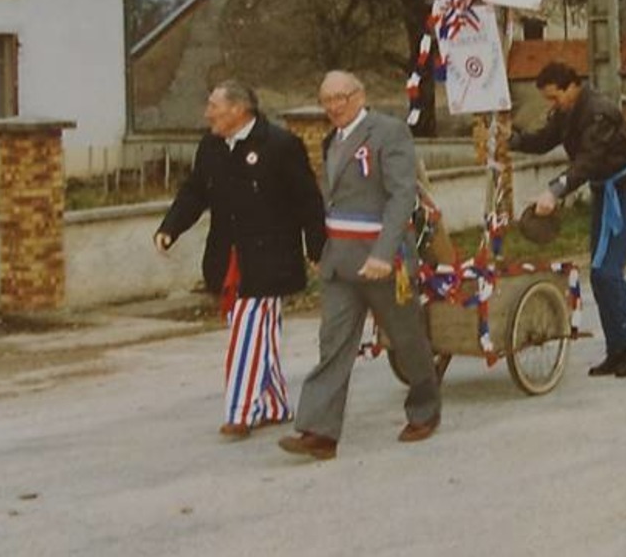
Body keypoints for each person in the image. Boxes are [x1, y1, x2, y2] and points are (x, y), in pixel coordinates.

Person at [278, 72, 442, 461]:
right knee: (333, 345)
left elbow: (403, 195)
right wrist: (321, 252)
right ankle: (320, 431)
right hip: (341, 262)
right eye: (326, 100)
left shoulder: (388, 132)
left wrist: (384, 253)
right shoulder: (332, 140)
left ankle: (425, 408)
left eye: (341, 97)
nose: (334, 106)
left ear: (360, 95)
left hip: (383, 260)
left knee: (406, 338)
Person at [156, 80, 326, 440]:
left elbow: (308, 202)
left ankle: (241, 411)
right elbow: (194, 193)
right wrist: (170, 228)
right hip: (227, 257)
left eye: (214, 106)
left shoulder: (280, 145)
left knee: (248, 332)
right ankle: (275, 403)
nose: (208, 114)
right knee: (255, 330)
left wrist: (317, 249)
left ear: (238, 110)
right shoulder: (211, 147)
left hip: (270, 258)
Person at [510, 61, 626, 378]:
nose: (552, 104)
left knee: (607, 270)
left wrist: (554, 191)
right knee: (600, 273)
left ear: (571, 86)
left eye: (554, 97)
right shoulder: (568, 112)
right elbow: (544, 140)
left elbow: (587, 161)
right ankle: (617, 349)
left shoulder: (599, 112)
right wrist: (512, 141)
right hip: (607, 190)